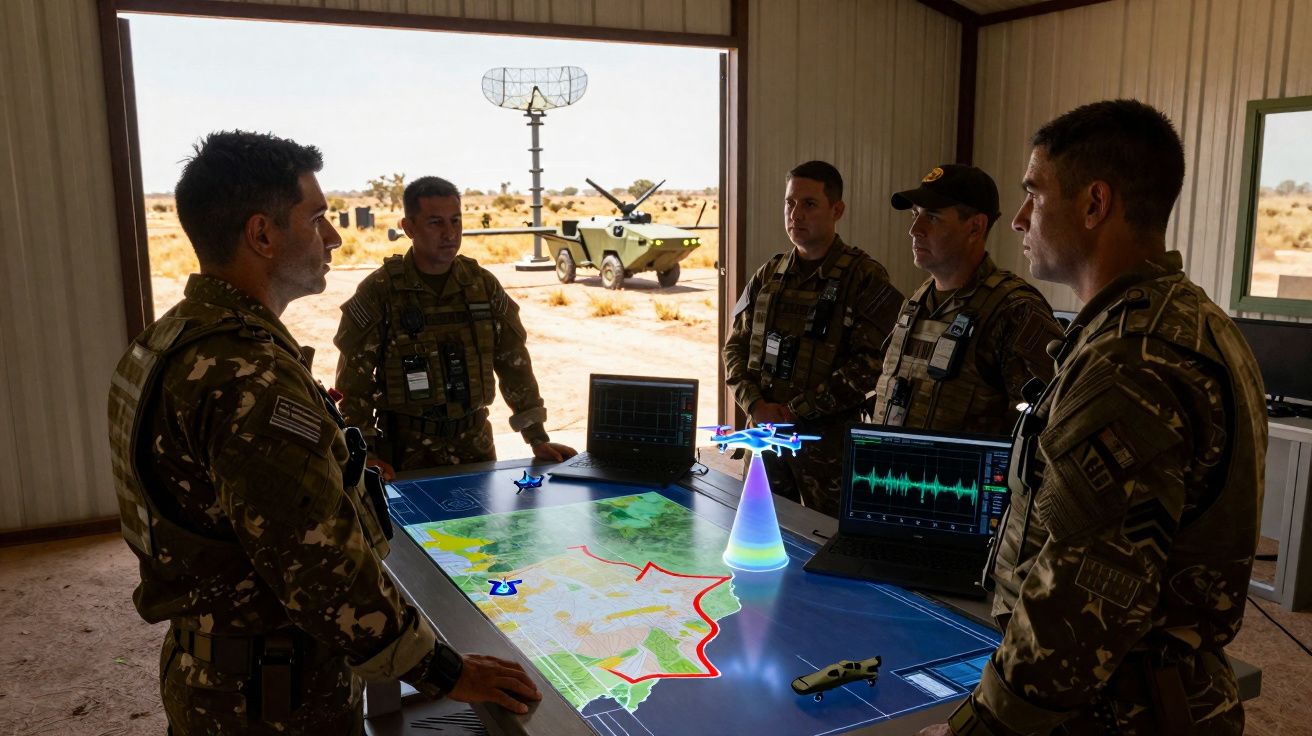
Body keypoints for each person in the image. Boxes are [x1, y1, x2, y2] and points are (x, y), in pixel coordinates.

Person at [107, 131, 541, 735]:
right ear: (262, 235)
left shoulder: (169, 340)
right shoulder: (247, 376)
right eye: (317, 219)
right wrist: (447, 672)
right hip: (269, 696)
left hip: (218, 672)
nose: (334, 237)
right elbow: (321, 571)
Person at [920, 100, 1266, 736]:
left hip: (1114, 711)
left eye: (1033, 193)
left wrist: (981, 725)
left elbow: (1081, 598)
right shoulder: (1181, 320)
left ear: (1093, 204)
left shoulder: (1132, 359)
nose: (1020, 219)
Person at [334, 176, 575, 479]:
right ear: (408, 228)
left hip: (475, 446)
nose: (450, 233)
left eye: (455, 221)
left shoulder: (482, 286)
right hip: (403, 452)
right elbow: (354, 383)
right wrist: (366, 451)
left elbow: (513, 362)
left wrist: (537, 438)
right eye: (435, 223)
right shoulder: (380, 290)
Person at [722, 160, 904, 516]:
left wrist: (797, 409)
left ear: (837, 210)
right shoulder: (769, 275)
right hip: (767, 437)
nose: (796, 215)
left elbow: (873, 364)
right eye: (790, 203)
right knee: (759, 535)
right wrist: (754, 404)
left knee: (829, 545)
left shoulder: (864, 278)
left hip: (827, 448)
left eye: (809, 204)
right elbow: (735, 348)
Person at [871, 165, 1062, 435]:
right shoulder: (919, 300)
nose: (915, 229)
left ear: (975, 227)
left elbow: (1044, 423)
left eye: (933, 217)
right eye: (915, 215)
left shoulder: (1015, 309)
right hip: (896, 474)